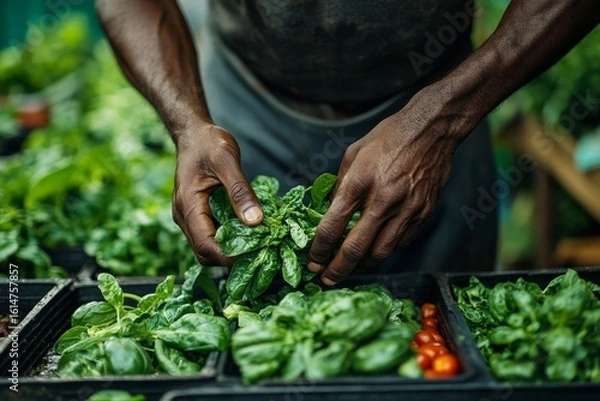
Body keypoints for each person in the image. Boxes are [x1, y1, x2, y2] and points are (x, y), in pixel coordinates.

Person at [95, 0, 599, 285]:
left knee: (443, 327)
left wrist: (442, 121)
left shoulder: (441, 118)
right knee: (257, 334)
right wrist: (187, 124)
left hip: (436, 104)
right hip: (245, 110)